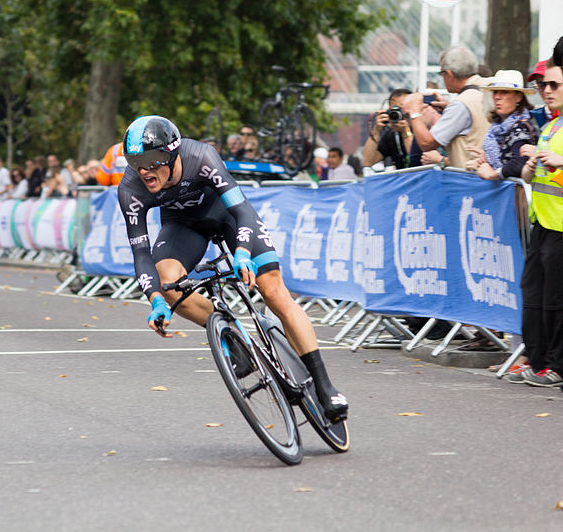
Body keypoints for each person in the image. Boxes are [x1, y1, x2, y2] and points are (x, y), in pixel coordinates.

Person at [117, 115, 348, 421]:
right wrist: (155, 299)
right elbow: (141, 253)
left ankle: (324, 385)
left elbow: (241, 210)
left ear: (172, 154)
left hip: (228, 217)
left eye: (152, 160)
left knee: (274, 292)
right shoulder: (131, 188)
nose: (144, 169)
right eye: (136, 161)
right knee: (169, 286)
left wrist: (241, 253)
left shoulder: (200, 155)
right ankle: (230, 334)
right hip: (183, 227)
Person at [508, 58, 563, 387]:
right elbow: (541, 175)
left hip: (560, 227)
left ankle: (557, 366)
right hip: (541, 223)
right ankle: (539, 361)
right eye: (542, 85)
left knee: (556, 300)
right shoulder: (551, 126)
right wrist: (529, 169)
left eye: (554, 84)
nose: (546, 91)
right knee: (533, 294)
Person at [401, 45, 489, 170]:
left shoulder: (461, 104)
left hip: (469, 182)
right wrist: (449, 108)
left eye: (441, 74)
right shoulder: (491, 88)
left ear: (449, 74)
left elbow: (427, 144)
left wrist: (414, 111)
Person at [467, 70, 538, 180]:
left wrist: (493, 174)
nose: (497, 97)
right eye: (495, 92)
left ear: (519, 97)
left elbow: (518, 164)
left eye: (504, 92)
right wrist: (484, 161)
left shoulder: (521, 127)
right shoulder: (497, 127)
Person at [361, 88, 414, 170]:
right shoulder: (391, 135)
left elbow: (416, 160)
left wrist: (405, 132)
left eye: (401, 109)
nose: (398, 113)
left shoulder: (423, 128)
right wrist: (376, 131)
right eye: (394, 110)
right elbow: (368, 162)